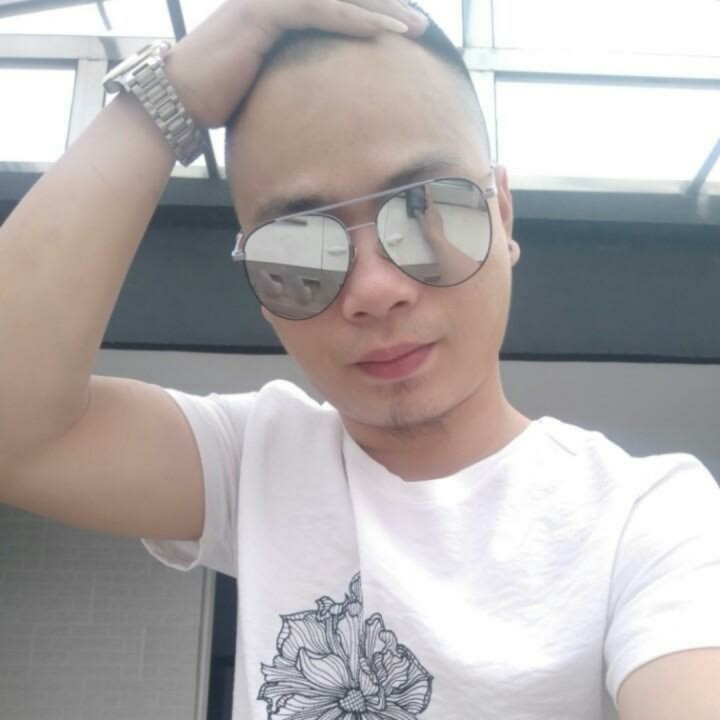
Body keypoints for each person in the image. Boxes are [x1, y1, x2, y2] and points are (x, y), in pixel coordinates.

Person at [0, 2, 719, 719]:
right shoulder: (256, 461)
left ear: (502, 215)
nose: (373, 291)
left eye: (424, 206)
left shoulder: (647, 518)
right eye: (297, 248)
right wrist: (170, 96)